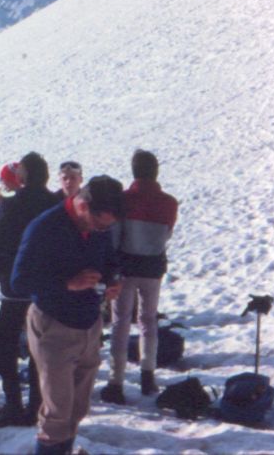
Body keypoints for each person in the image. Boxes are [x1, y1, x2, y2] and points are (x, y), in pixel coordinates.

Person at [11, 176, 124, 455]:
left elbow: (109, 258)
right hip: (54, 325)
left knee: (77, 408)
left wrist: (113, 280)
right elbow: (19, 281)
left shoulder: (99, 228)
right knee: (57, 413)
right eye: (100, 223)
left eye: (108, 226)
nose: (102, 229)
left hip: (89, 323)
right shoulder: (45, 227)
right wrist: (66, 283)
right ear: (83, 205)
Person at [0, 152, 58, 427]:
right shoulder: (56, 204)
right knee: (39, 348)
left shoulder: (11, 206)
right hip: (47, 290)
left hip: (15, 289)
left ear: (23, 176)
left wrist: (5, 277)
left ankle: (13, 404)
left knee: (4, 345)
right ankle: (37, 406)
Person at [102, 150, 178, 403]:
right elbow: (166, 234)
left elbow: (114, 237)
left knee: (120, 322)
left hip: (125, 269)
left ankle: (116, 381)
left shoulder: (124, 200)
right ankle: (148, 375)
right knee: (148, 321)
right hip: (153, 268)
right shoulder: (169, 203)